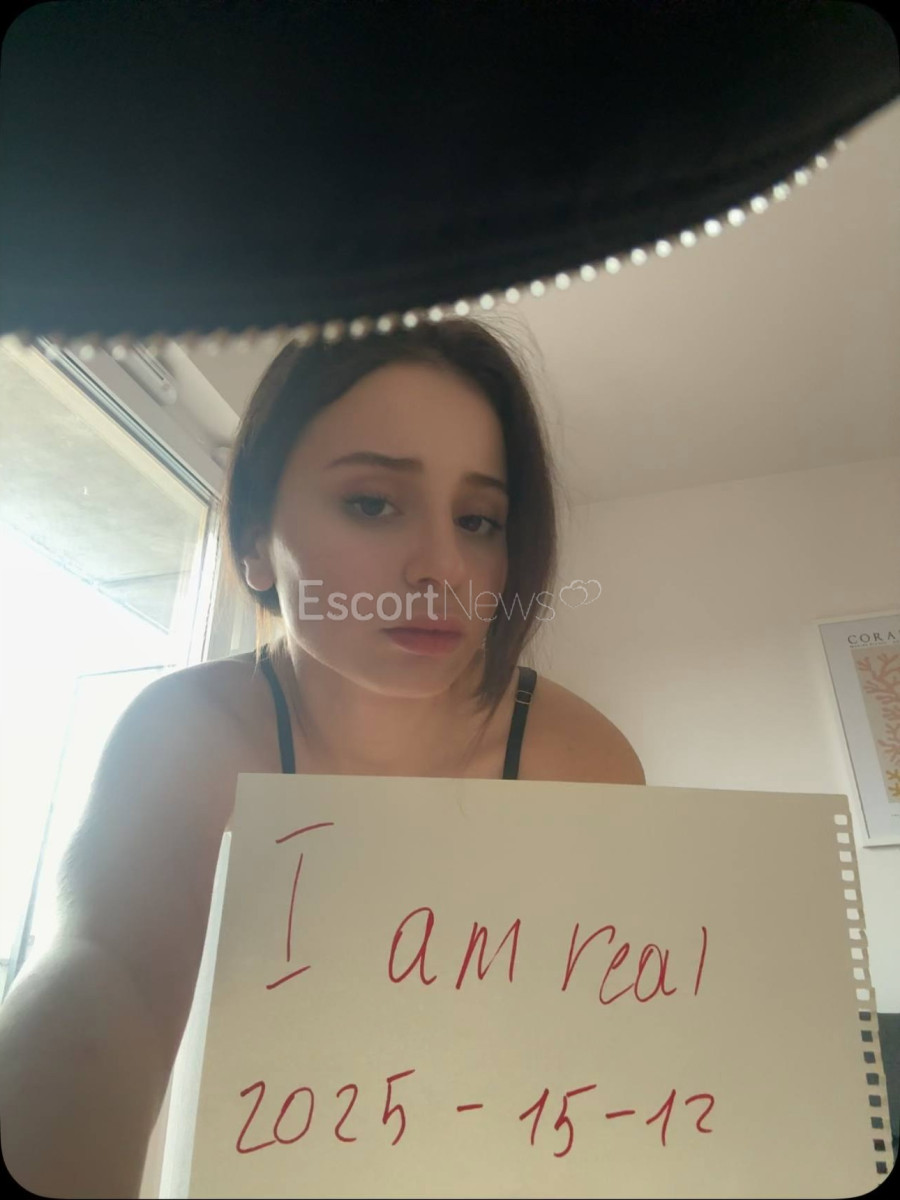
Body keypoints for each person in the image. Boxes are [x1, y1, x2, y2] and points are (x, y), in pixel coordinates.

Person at [0, 317, 644, 1198]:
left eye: (479, 519)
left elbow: (615, 1043)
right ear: (255, 539)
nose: (443, 567)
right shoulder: (187, 735)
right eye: (373, 503)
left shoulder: (578, 760)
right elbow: (104, 970)